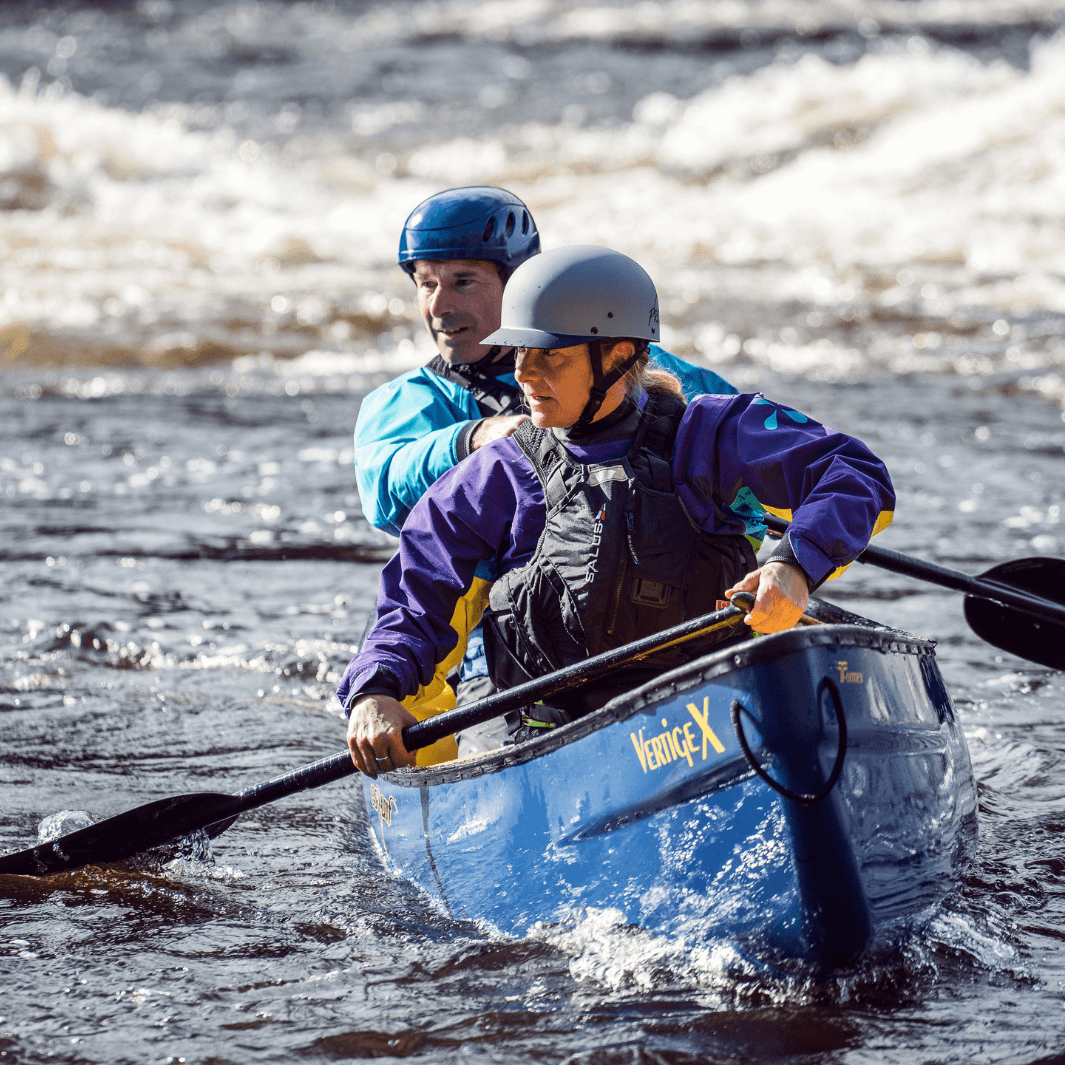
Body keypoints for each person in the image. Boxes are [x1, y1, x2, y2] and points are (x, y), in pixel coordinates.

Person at [341, 246, 895, 778]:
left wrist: (794, 566)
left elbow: (853, 473)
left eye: (549, 356)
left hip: (699, 714)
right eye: (519, 353)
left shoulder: (711, 433)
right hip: (541, 732)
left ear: (619, 355)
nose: (524, 376)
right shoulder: (497, 475)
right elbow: (415, 593)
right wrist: (374, 691)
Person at [352, 187, 754, 760]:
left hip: (664, 628)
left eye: (463, 281)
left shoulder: (626, 364)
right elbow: (387, 492)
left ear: (519, 285)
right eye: (426, 283)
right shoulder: (405, 403)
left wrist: (786, 551)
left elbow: (747, 457)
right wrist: (471, 439)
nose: (439, 305)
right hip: (499, 651)